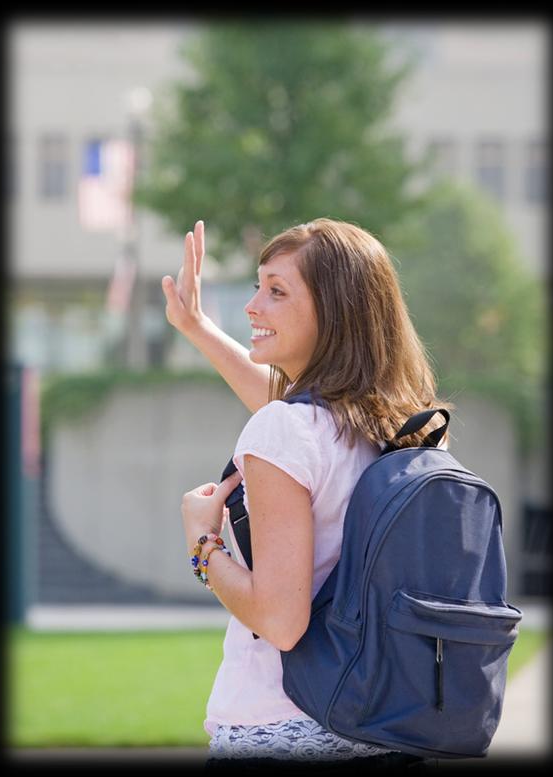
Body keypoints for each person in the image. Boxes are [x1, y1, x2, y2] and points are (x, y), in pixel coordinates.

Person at [161, 218, 450, 770]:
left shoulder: (287, 430)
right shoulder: (394, 425)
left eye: (277, 291)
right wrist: (196, 325)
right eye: (257, 287)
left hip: (278, 725)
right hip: (382, 723)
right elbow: (285, 415)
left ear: (334, 311)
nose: (252, 307)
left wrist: (202, 541)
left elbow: (279, 620)